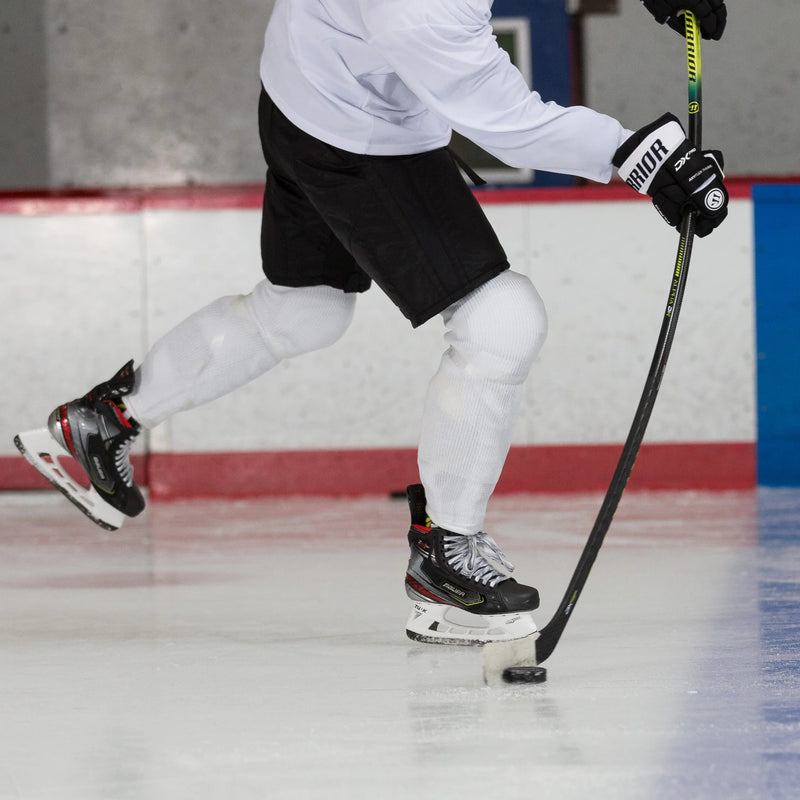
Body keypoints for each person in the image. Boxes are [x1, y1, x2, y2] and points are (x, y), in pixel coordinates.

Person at [16, 0, 728, 645]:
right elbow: (508, 125)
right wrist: (644, 161)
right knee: (501, 319)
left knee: (306, 310)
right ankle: (445, 558)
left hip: (309, 85)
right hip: (354, 127)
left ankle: (105, 418)